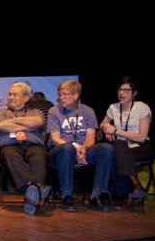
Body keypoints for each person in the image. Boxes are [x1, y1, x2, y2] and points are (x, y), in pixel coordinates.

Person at [47, 80, 114, 212]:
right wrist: (74, 148)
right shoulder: (54, 111)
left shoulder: (88, 111)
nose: (61, 97)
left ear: (76, 95)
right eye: (60, 94)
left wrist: (83, 148)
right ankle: (67, 196)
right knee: (67, 149)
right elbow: (55, 138)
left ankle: (98, 195)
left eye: (65, 94)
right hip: (61, 151)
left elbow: (90, 138)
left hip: (83, 151)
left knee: (106, 149)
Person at [0, 82, 51, 215]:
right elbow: (1, 126)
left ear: (26, 98)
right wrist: (27, 125)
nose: (11, 97)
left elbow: (38, 121)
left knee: (39, 154)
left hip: (33, 145)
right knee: (8, 153)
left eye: (15, 94)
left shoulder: (36, 112)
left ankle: (32, 196)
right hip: (10, 146)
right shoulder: (2, 112)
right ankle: (37, 186)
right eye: (9, 94)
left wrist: (13, 121)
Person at [100, 76, 155, 203]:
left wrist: (116, 131)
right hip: (122, 148)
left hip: (141, 148)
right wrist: (106, 126)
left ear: (134, 93)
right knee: (116, 147)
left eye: (126, 90)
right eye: (120, 89)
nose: (122, 93)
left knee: (117, 147)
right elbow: (102, 124)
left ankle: (132, 188)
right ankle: (134, 187)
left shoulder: (142, 107)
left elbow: (141, 137)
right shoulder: (113, 107)